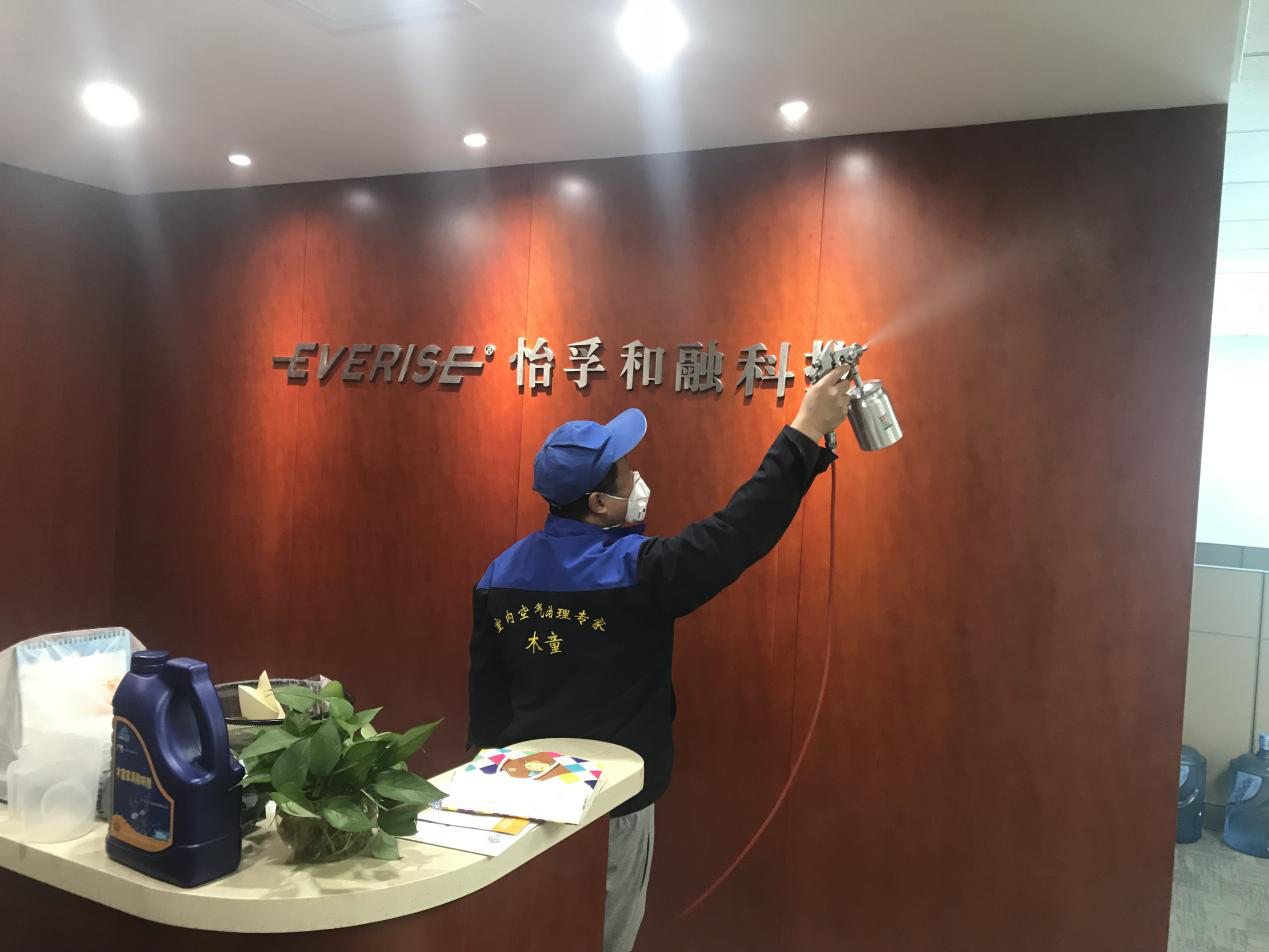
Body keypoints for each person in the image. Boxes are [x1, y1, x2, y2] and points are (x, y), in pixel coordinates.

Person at [467, 367, 854, 952]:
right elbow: (737, 531)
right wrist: (802, 431)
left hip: (515, 801)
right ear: (600, 502)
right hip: (611, 804)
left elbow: (487, 702)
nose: (639, 478)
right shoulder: (638, 570)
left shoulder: (499, 574)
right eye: (628, 472)